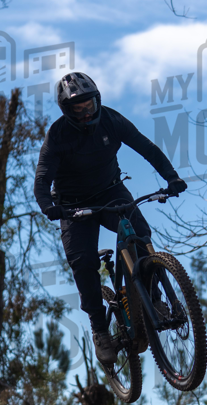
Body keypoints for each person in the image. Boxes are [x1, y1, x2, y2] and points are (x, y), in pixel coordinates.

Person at [34, 71, 187, 365]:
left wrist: (172, 177)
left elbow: (147, 148)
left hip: (110, 192)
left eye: (89, 104)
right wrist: (48, 207)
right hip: (73, 207)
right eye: (77, 108)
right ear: (66, 111)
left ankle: (153, 300)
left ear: (98, 100)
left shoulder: (111, 121)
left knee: (140, 233)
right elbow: (42, 179)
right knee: (84, 262)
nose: (85, 112)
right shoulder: (57, 135)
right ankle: (100, 330)